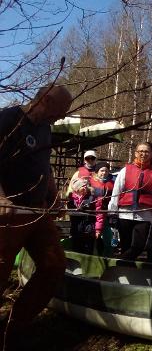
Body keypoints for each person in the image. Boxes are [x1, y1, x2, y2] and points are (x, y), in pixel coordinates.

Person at [0, 84, 72, 346]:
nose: (62, 116)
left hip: (37, 210)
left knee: (54, 265)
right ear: (45, 99)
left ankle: (15, 328)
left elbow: (46, 166)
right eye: (62, 110)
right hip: (10, 211)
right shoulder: (9, 118)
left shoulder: (45, 128)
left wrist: (54, 194)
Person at [108, 141, 152, 261]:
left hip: (144, 215)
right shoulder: (125, 170)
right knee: (126, 246)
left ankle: (119, 263)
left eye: (147, 151)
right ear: (136, 153)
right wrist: (112, 212)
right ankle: (126, 272)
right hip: (124, 214)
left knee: (138, 246)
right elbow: (116, 192)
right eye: (140, 151)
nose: (143, 154)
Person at [89, 161, 114, 256]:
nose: (104, 173)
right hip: (92, 214)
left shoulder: (111, 183)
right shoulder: (91, 182)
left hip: (106, 213)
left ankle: (108, 255)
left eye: (106, 171)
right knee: (93, 237)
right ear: (97, 172)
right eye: (102, 170)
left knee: (108, 237)